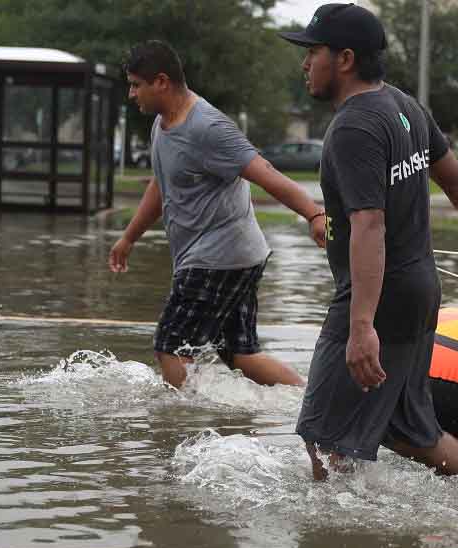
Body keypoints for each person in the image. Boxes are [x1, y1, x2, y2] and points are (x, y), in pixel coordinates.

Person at [280, 3, 458, 481]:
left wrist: (361, 325)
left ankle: (337, 545)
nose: (305, 64)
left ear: (344, 58)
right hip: (418, 291)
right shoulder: (404, 106)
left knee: (323, 436)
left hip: (377, 299)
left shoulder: (352, 127)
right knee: (410, 430)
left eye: (313, 52)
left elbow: (370, 226)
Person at [109, 40, 326, 388]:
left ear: (161, 82)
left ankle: (184, 427)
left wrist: (314, 214)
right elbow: (161, 184)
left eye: (136, 84)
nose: (132, 94)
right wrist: (129, 237)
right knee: (239, 354)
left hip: (216, 258)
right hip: (236, 256)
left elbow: (264, 170)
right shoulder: (162, 124)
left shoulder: (207, 128)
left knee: (170, 347)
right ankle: (307, 401)